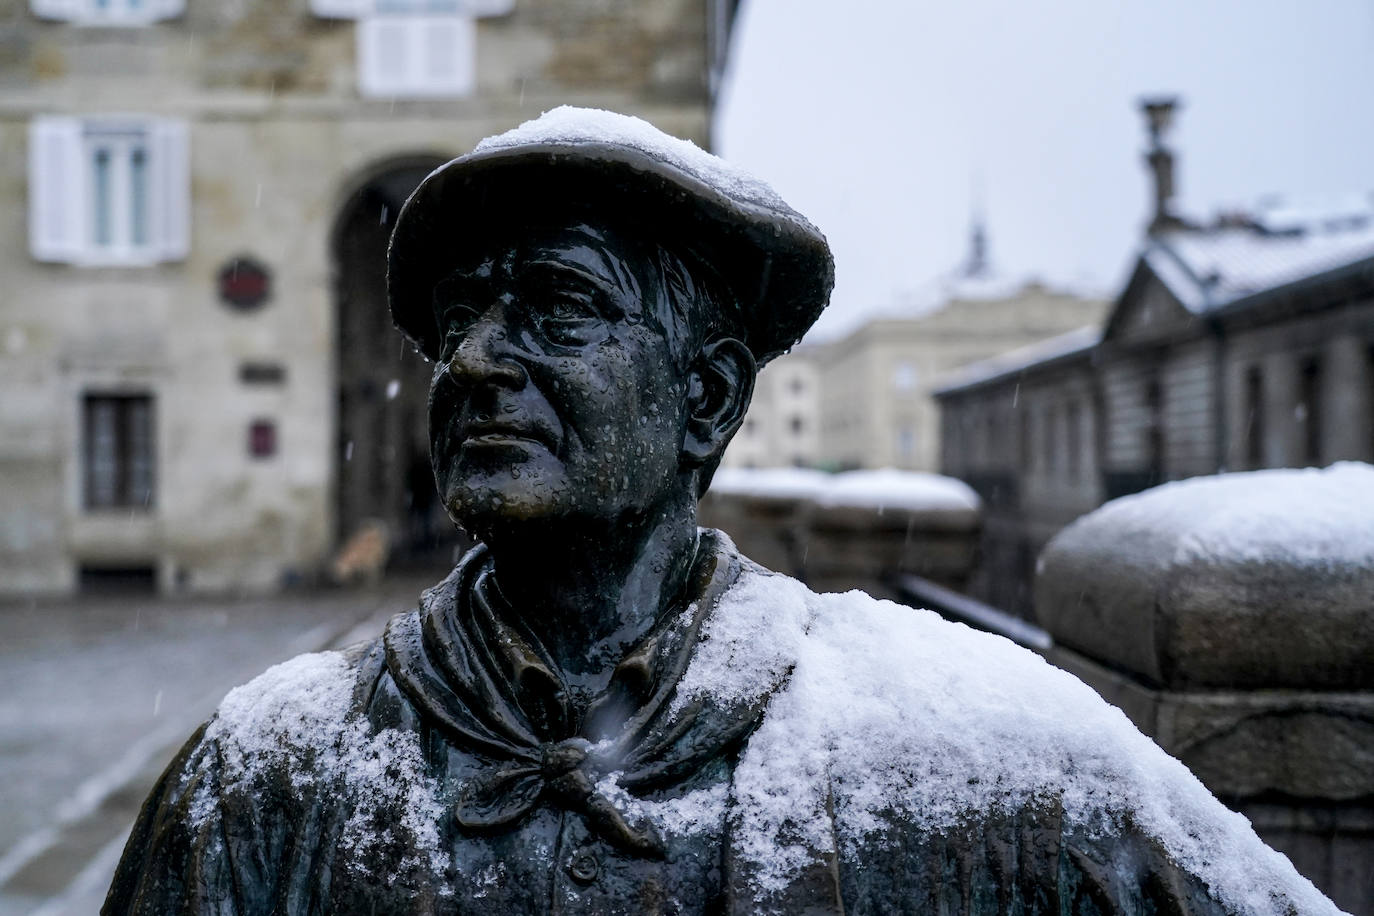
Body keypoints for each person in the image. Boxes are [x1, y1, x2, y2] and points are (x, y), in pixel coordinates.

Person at [104, 108, 1339, 915]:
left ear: (706, 398)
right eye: (460, 318)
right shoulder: (268, 776)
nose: (476, 357)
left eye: (557, 307)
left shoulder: (965, 758)